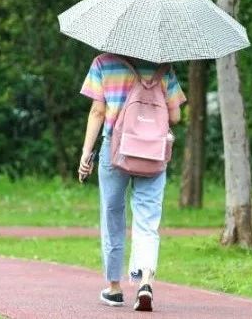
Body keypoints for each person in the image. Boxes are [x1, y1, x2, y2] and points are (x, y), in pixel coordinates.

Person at [78, 52, 185, 312]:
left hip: (115, 151)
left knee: (112, 214)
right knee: (148, 219)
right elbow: (176, 116)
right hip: (152, 153)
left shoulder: (103, 63)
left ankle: (114, 288)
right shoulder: (163, 67)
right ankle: (144, 281)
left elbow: (97, 111)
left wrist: (85, 153)